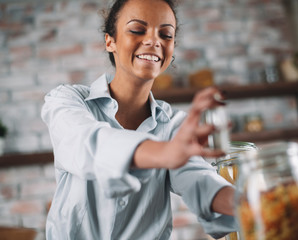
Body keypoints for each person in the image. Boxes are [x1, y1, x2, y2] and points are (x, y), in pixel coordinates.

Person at [41, 0, 239, 239]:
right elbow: (86, 143)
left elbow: (202, 183)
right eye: (137, 30)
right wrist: (165, 153)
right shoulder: (67, 100)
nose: (154, 41)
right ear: (110, 41)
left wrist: (259, 198)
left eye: (166, 34)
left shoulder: (175, 125)